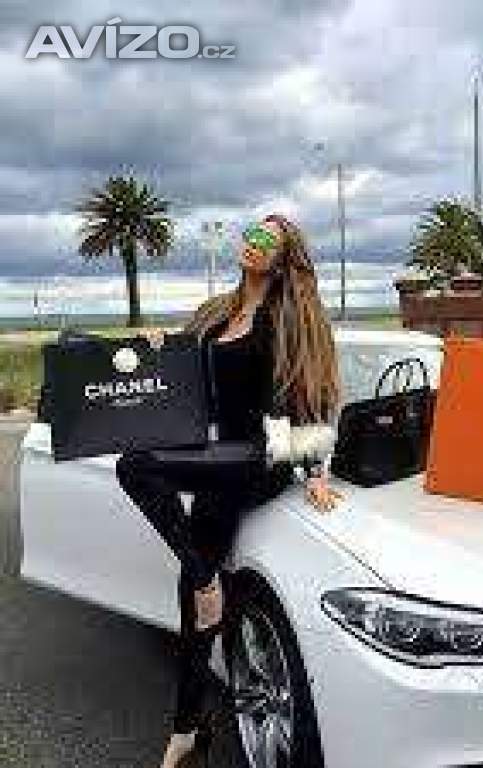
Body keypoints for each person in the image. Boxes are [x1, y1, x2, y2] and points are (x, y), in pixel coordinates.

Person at [114, 213, 343, 768]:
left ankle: (204, 577)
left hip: (260, 458)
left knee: (136, 467)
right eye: (252, 234)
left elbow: (311, 394)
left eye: (269, 240)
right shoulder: (217, 312)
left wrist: (315, 469)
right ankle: (187, 731)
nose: (254, 243)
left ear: (284, 259)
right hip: (216, 458)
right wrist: (157, 346)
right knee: (193, 601)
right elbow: (180, 376)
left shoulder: (292, 316)